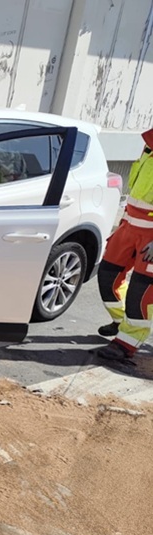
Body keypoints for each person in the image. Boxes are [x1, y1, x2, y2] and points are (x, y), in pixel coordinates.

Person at [96, 128, 153, 361]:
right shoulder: (148, 146)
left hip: (150, 236)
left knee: (142, 292)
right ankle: (121, 321)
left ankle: (126, 343)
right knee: (108, 276)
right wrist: (122, 225)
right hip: (129, 225)